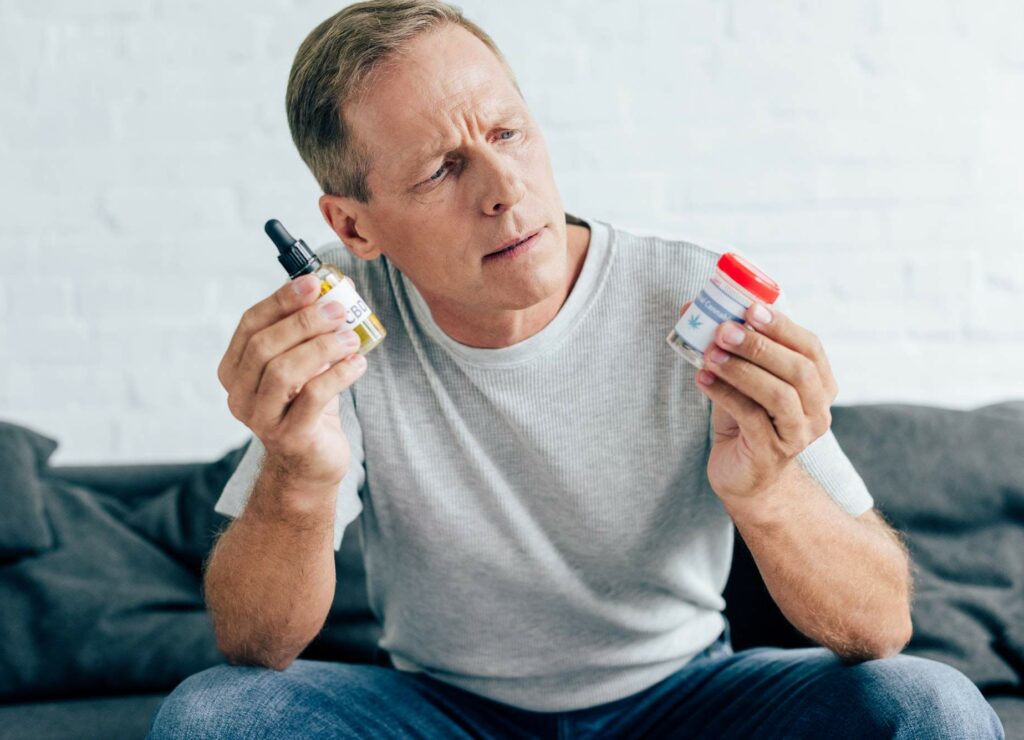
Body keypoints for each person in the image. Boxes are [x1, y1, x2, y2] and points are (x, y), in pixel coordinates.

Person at [148, 1, 1003, 737]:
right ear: (357, 226)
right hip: (443, 710)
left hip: (685, 700)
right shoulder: (342, 327)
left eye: (507, 133)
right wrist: (299, 476)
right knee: (212, 718)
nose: (504, 189)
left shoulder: (694, 300)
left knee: (928, 705)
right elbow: (255, 645)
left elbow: (881, 624)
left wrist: (768, 492)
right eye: (444, 169)